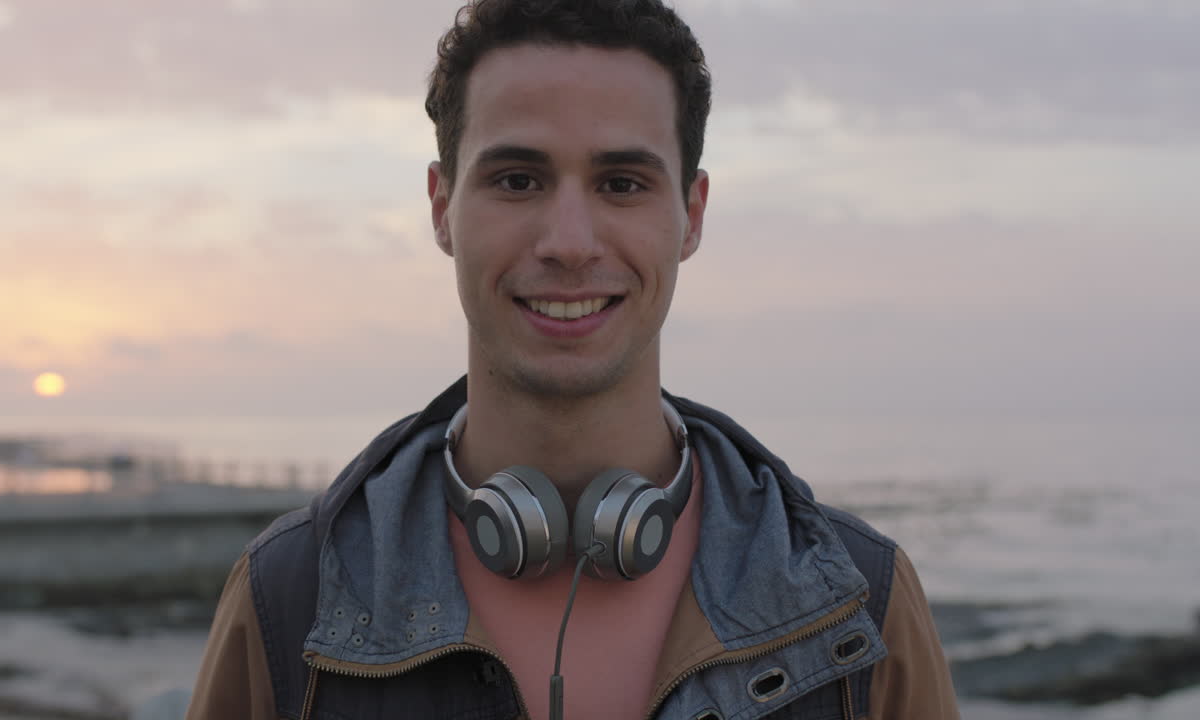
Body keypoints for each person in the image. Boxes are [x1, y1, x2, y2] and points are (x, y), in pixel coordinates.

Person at [187, 1, 959, 718]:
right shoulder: (287, 601)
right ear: (442, 207)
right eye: (517, 180)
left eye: (621, 183)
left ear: (691, 216)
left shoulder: (861, 606)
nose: (568, 243)